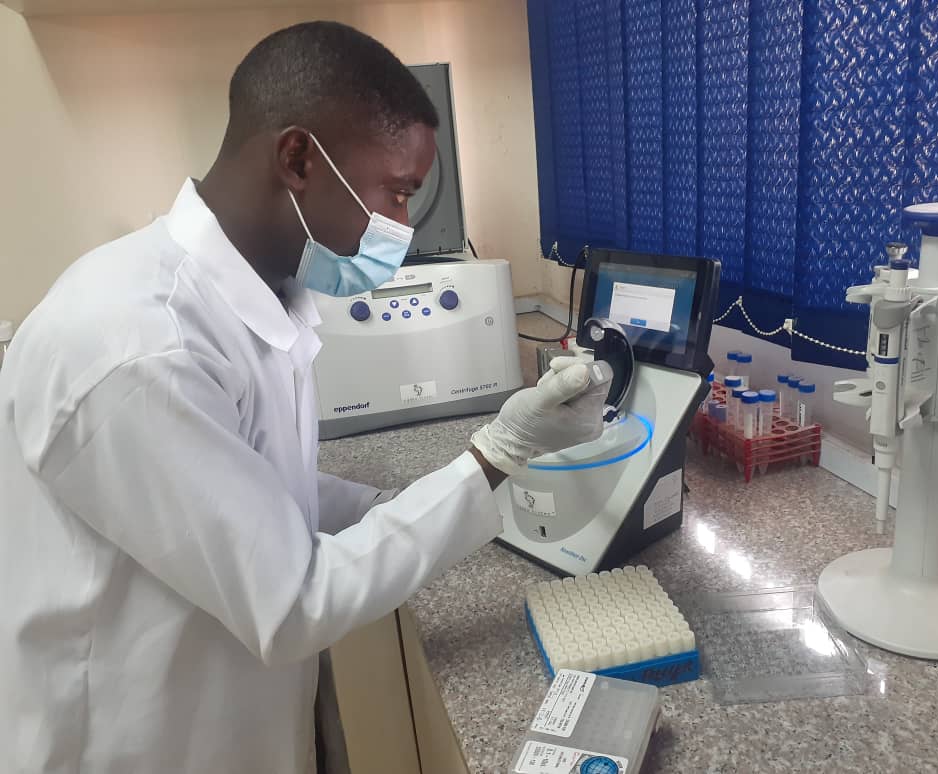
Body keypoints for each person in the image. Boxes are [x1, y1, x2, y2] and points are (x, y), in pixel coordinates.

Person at [0, 21, 609, 774]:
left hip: (236, 722)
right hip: (133, 747)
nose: (404, 224)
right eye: (397, 190)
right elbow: (293, 603)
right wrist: (494, 455)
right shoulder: (138, 345)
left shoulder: (263, 295)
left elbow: (261, 488)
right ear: (297, 159)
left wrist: (406, 500)